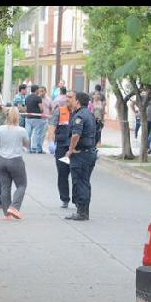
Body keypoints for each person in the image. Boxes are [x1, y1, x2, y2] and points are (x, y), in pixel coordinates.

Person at [63, 91, 97, 221]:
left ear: (77, 101)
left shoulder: (80, 116)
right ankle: (82, 211)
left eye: (73, 99)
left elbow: (76, 134)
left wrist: (70, 149)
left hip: (81, 154)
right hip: (89, 152)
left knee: (80, 182)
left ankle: (82, 212)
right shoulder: (89, 114)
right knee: (85, 182)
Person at [0, 107, 29, 220]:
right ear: (18, 117)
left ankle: (6, 213)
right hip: (16, 160)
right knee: (22, 185)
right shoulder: (22, 130)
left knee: (5, 186)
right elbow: (26, 145)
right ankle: (14, 207)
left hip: (1, 160)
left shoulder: (0, 129)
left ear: (6, 117)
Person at [46, 94, 73, 208]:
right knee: (63, 173)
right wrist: (51, 142)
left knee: (77, 174)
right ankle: (65, 198)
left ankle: (77, 199)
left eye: (71, 97)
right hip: (62, 147)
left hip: (75, 148)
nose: (68, 99)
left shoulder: (80, 113)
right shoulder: (60, 111)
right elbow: (51, 127)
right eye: (67, 96)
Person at [24, 84, 45, 153]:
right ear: (36, 90)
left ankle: (28, 149)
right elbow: (41, 108)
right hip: (37, 118)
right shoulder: (38, 98)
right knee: (37, 134)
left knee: (28, 134)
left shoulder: (27, 98)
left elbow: (25, 108)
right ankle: (38, 149)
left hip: (28, 118)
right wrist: (41, 112)